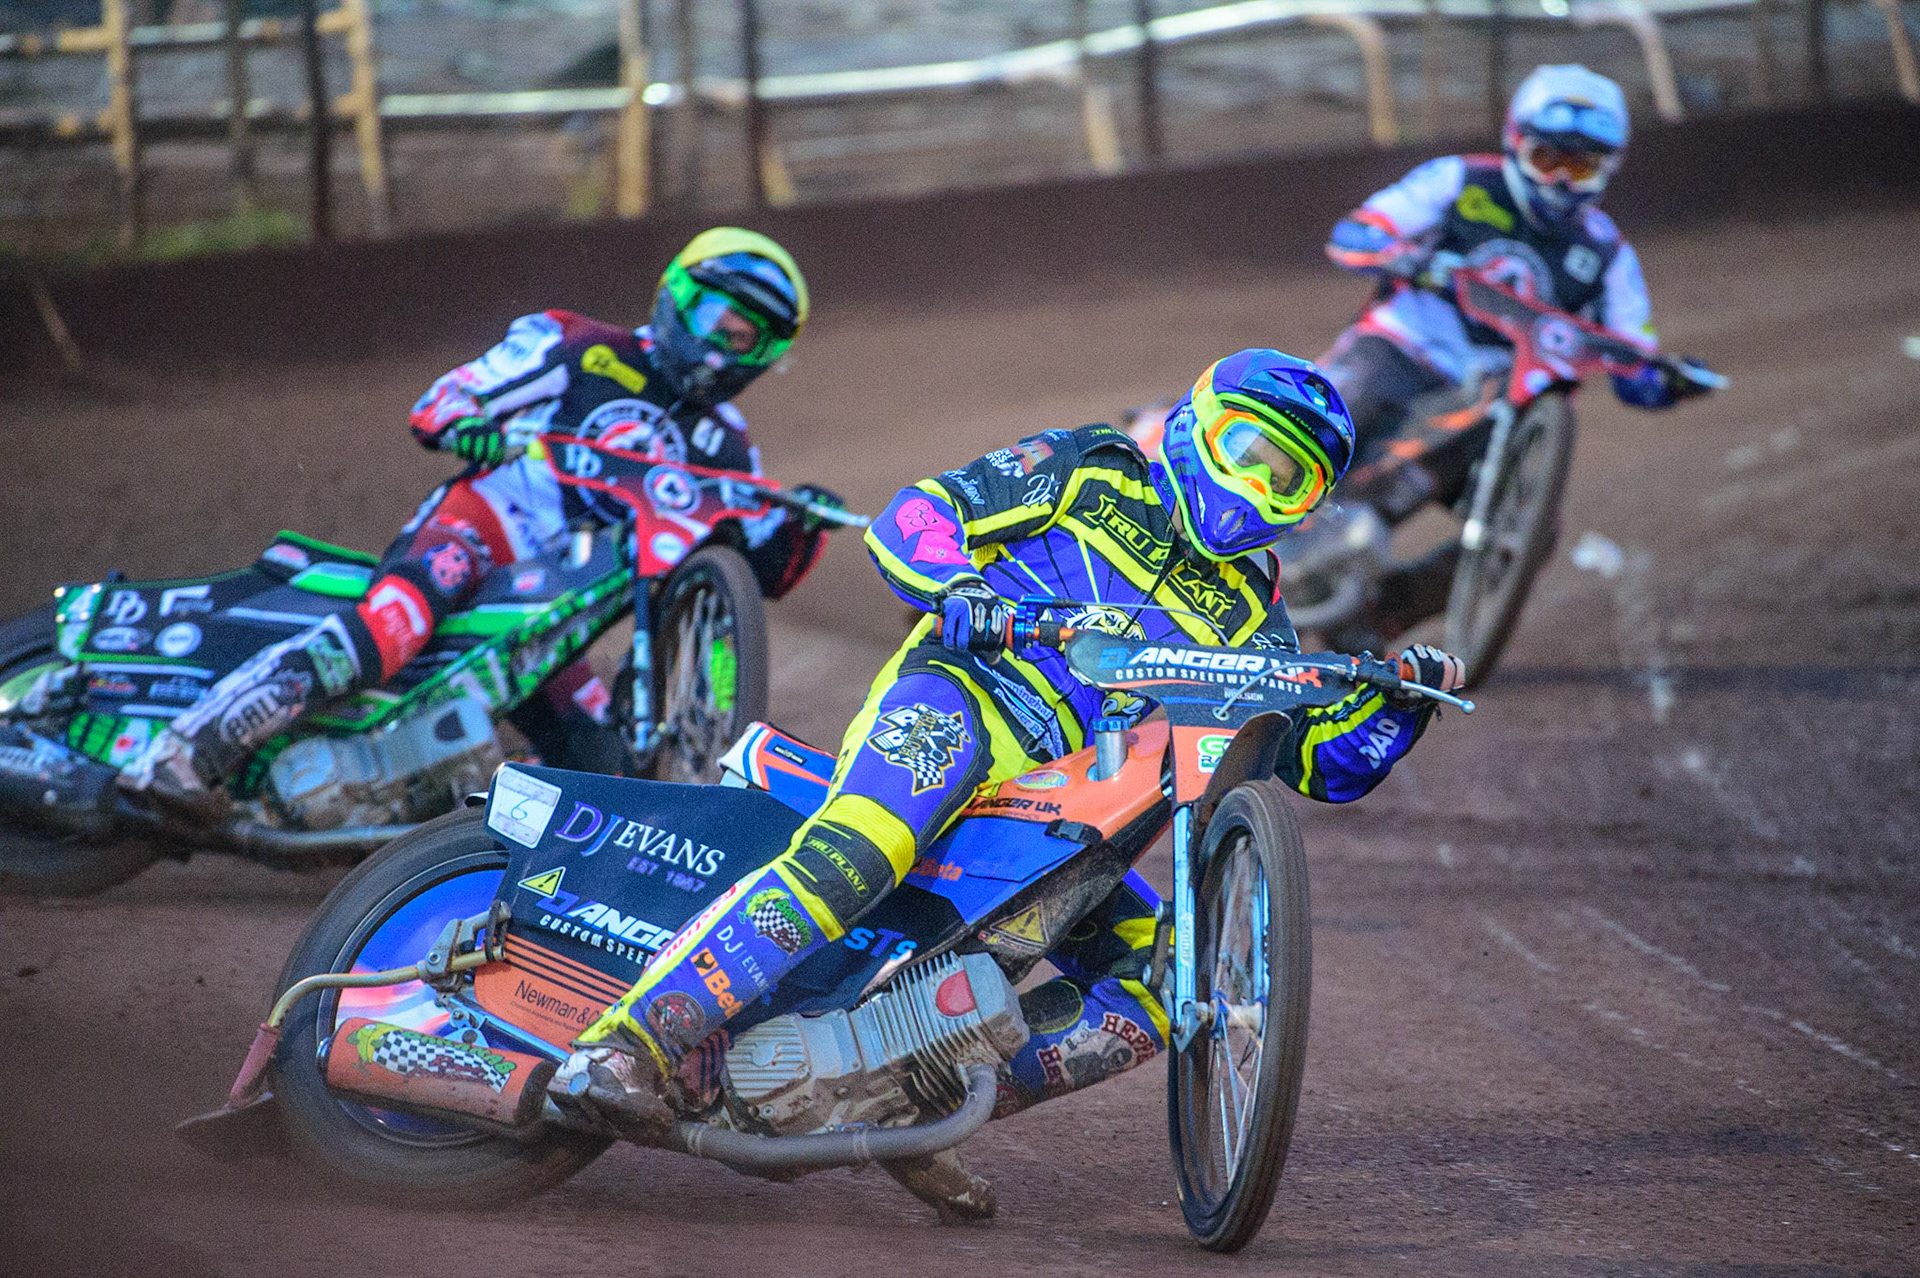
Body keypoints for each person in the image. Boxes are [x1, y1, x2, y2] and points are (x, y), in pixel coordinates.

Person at [552, 348, 1465, 1156]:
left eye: (1291, 481)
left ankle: (899, 1104)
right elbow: (917, 514)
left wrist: (1399, 706)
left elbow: (1314, 765)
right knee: (865, 847)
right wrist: (959, 587)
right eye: (1249, 452)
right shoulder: (1091, 469)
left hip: (1071, 804)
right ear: (1194, 426)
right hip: (963, 701)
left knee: (1169, 972)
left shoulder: (1257, 621)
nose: (1260, 487)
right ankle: (627, 1046)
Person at [122, 227, 834, 805]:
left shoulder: (727, 444)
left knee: (608, 768)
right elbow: (444, 402)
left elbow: (761, 568)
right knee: (392, 628)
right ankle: (187, 749)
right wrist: (470, 425)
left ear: (766, 355)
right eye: (715, 319)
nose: (719, 345)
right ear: (678, 297)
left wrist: (806, 523)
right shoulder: (582, 346)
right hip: (480, 532)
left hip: (559, 613)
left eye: (744, 338)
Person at [1314, 64, 1709, 641]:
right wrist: (1407, 258)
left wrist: (1671, 381)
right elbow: (1357, 233)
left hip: (1492, 399)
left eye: (1581, 167)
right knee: (1331, 411)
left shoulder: (1605, 252)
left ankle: (1377, 614)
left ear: (1608, 169)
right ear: (1515, 143)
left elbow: (1634, 364)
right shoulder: (1460, 181)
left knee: (1530, 531)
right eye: (1549, 159)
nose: (1561, 182)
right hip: (1402, 347)